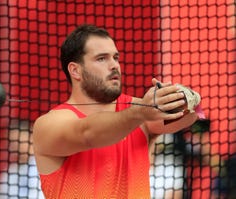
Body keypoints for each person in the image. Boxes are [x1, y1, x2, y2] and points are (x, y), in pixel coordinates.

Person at [32, 24, 201, 198]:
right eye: (101, 59)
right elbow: (87, 133)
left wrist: (183, 98)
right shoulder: (49, 124)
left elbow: (189, 116)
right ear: (76, 70)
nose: (114, 65)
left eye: (115, 57)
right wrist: (140, 112)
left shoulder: (139, 110)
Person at [0, 120, 45, 199]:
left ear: (31, 137)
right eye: (11, 141)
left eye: (18, 139)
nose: (14, 145)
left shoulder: (45, 167)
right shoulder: (9, 173)